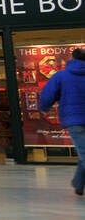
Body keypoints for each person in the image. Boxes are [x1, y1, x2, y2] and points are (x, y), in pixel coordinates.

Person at [39, 47, 85, 196]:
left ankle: (78, 182)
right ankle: (78, 182)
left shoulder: (62, 76)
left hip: (73, 120)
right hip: (75, 119)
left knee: (84, 153)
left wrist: (44, 107)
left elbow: (47, 94)